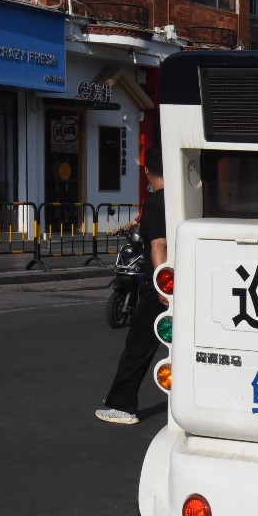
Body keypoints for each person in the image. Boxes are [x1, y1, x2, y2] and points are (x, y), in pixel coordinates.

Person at [96, 146, 168, 425]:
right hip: (185, 280)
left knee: (138, 344)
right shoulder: (177, 200)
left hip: (159, 288)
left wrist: (163, 284)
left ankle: (122, 405)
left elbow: (159, 244)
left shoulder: (154, 204)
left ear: (147, 171)